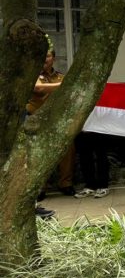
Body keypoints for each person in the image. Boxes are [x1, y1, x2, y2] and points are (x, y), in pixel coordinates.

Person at [27, 49, 76, 197]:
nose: (45, 59)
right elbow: (39, 88)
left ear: (53, 58)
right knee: (38, 154)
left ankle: (65, 183)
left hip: (57, 120)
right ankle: (40, 187)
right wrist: (65, 84)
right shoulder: (32, 75)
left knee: (67, 150)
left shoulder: (60, 76)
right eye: (42, 55)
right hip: (36, 120)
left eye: (47, 55)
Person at [73, 132, 111, 198]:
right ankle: (90, 186)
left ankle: (103, 186)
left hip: (99, 128)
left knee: (101, 154)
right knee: (84, 154)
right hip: (83, 127)